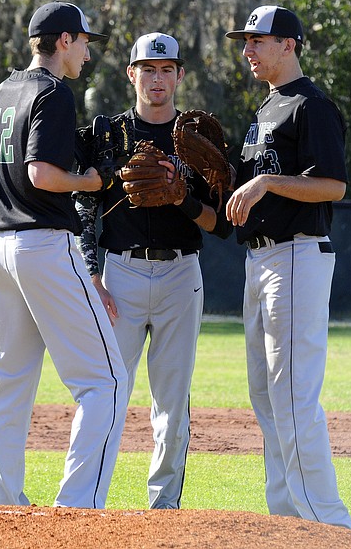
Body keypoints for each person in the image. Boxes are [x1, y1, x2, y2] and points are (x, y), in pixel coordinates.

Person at [0, 1, 129, 509]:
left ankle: (4, 506)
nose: (87, 51)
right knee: (105, 381)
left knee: (8, 385)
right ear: (64, 40)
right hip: (44, 244)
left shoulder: (1, 93)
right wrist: (92, 180)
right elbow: (43, 175)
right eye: (84, 41)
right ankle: (77, 510)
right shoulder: (53, 92)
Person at [74, 32, 232, 509]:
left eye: (166, 70)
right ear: (132, 74)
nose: (157, 79)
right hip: (119, 274)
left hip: (181, 275)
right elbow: (82, 202)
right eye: (148, 69)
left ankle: (164, 509)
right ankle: (86, 502)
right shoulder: (108, 134)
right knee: (106, 393)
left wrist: (183, 197)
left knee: (172, 402)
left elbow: (220, 225)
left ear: (180, 75)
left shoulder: (197, 137)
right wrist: (92, 273)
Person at [224, 5, 351, 529]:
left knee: (294, 393)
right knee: (266, 395)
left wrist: (266, 183)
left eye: (258, 40)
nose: (248, 49)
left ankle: (329, 524)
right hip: (261, 258)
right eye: (246, 40)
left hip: (297, 255)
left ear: (289, 46)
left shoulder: (311, 107)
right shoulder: (266, 110)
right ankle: (286, 521)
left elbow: (333, 186)